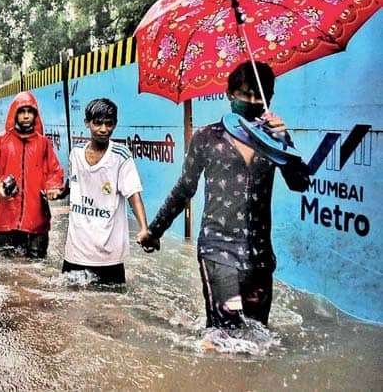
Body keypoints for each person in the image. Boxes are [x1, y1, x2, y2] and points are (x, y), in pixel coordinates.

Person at [141, 61, 310, 329]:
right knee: (225, 334)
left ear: (269, 99)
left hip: (260, 257)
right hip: (218, 251)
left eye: (259, 95)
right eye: (245, 94)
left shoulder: (274, 141)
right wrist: (154, 231)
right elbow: (185, 187)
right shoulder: (207, 137)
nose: (252, 101)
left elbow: (300, 184)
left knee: (258, 337)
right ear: (230, 94)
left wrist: (284, 142)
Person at [62, 98, 149, 285]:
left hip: (109, 254)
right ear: (87, 123)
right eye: (97, 123)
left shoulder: (121, 156)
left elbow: (134, 195)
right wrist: (57, 193)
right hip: (76, 251)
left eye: (109, 124)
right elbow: (72, 184)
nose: (103, 129)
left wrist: (144, 228)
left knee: (112, 309)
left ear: (115, 125)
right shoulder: (76, 153)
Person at [0, 91, 65, 259]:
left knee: (38, 268)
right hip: (5, 218)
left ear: (35, 115)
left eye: (30, 112)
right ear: (14, 113)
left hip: (37, 220)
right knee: (7, 270)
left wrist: (54, 190)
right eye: (22, 111)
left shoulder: (43, 143)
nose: (26, 116)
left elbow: (54, 173)